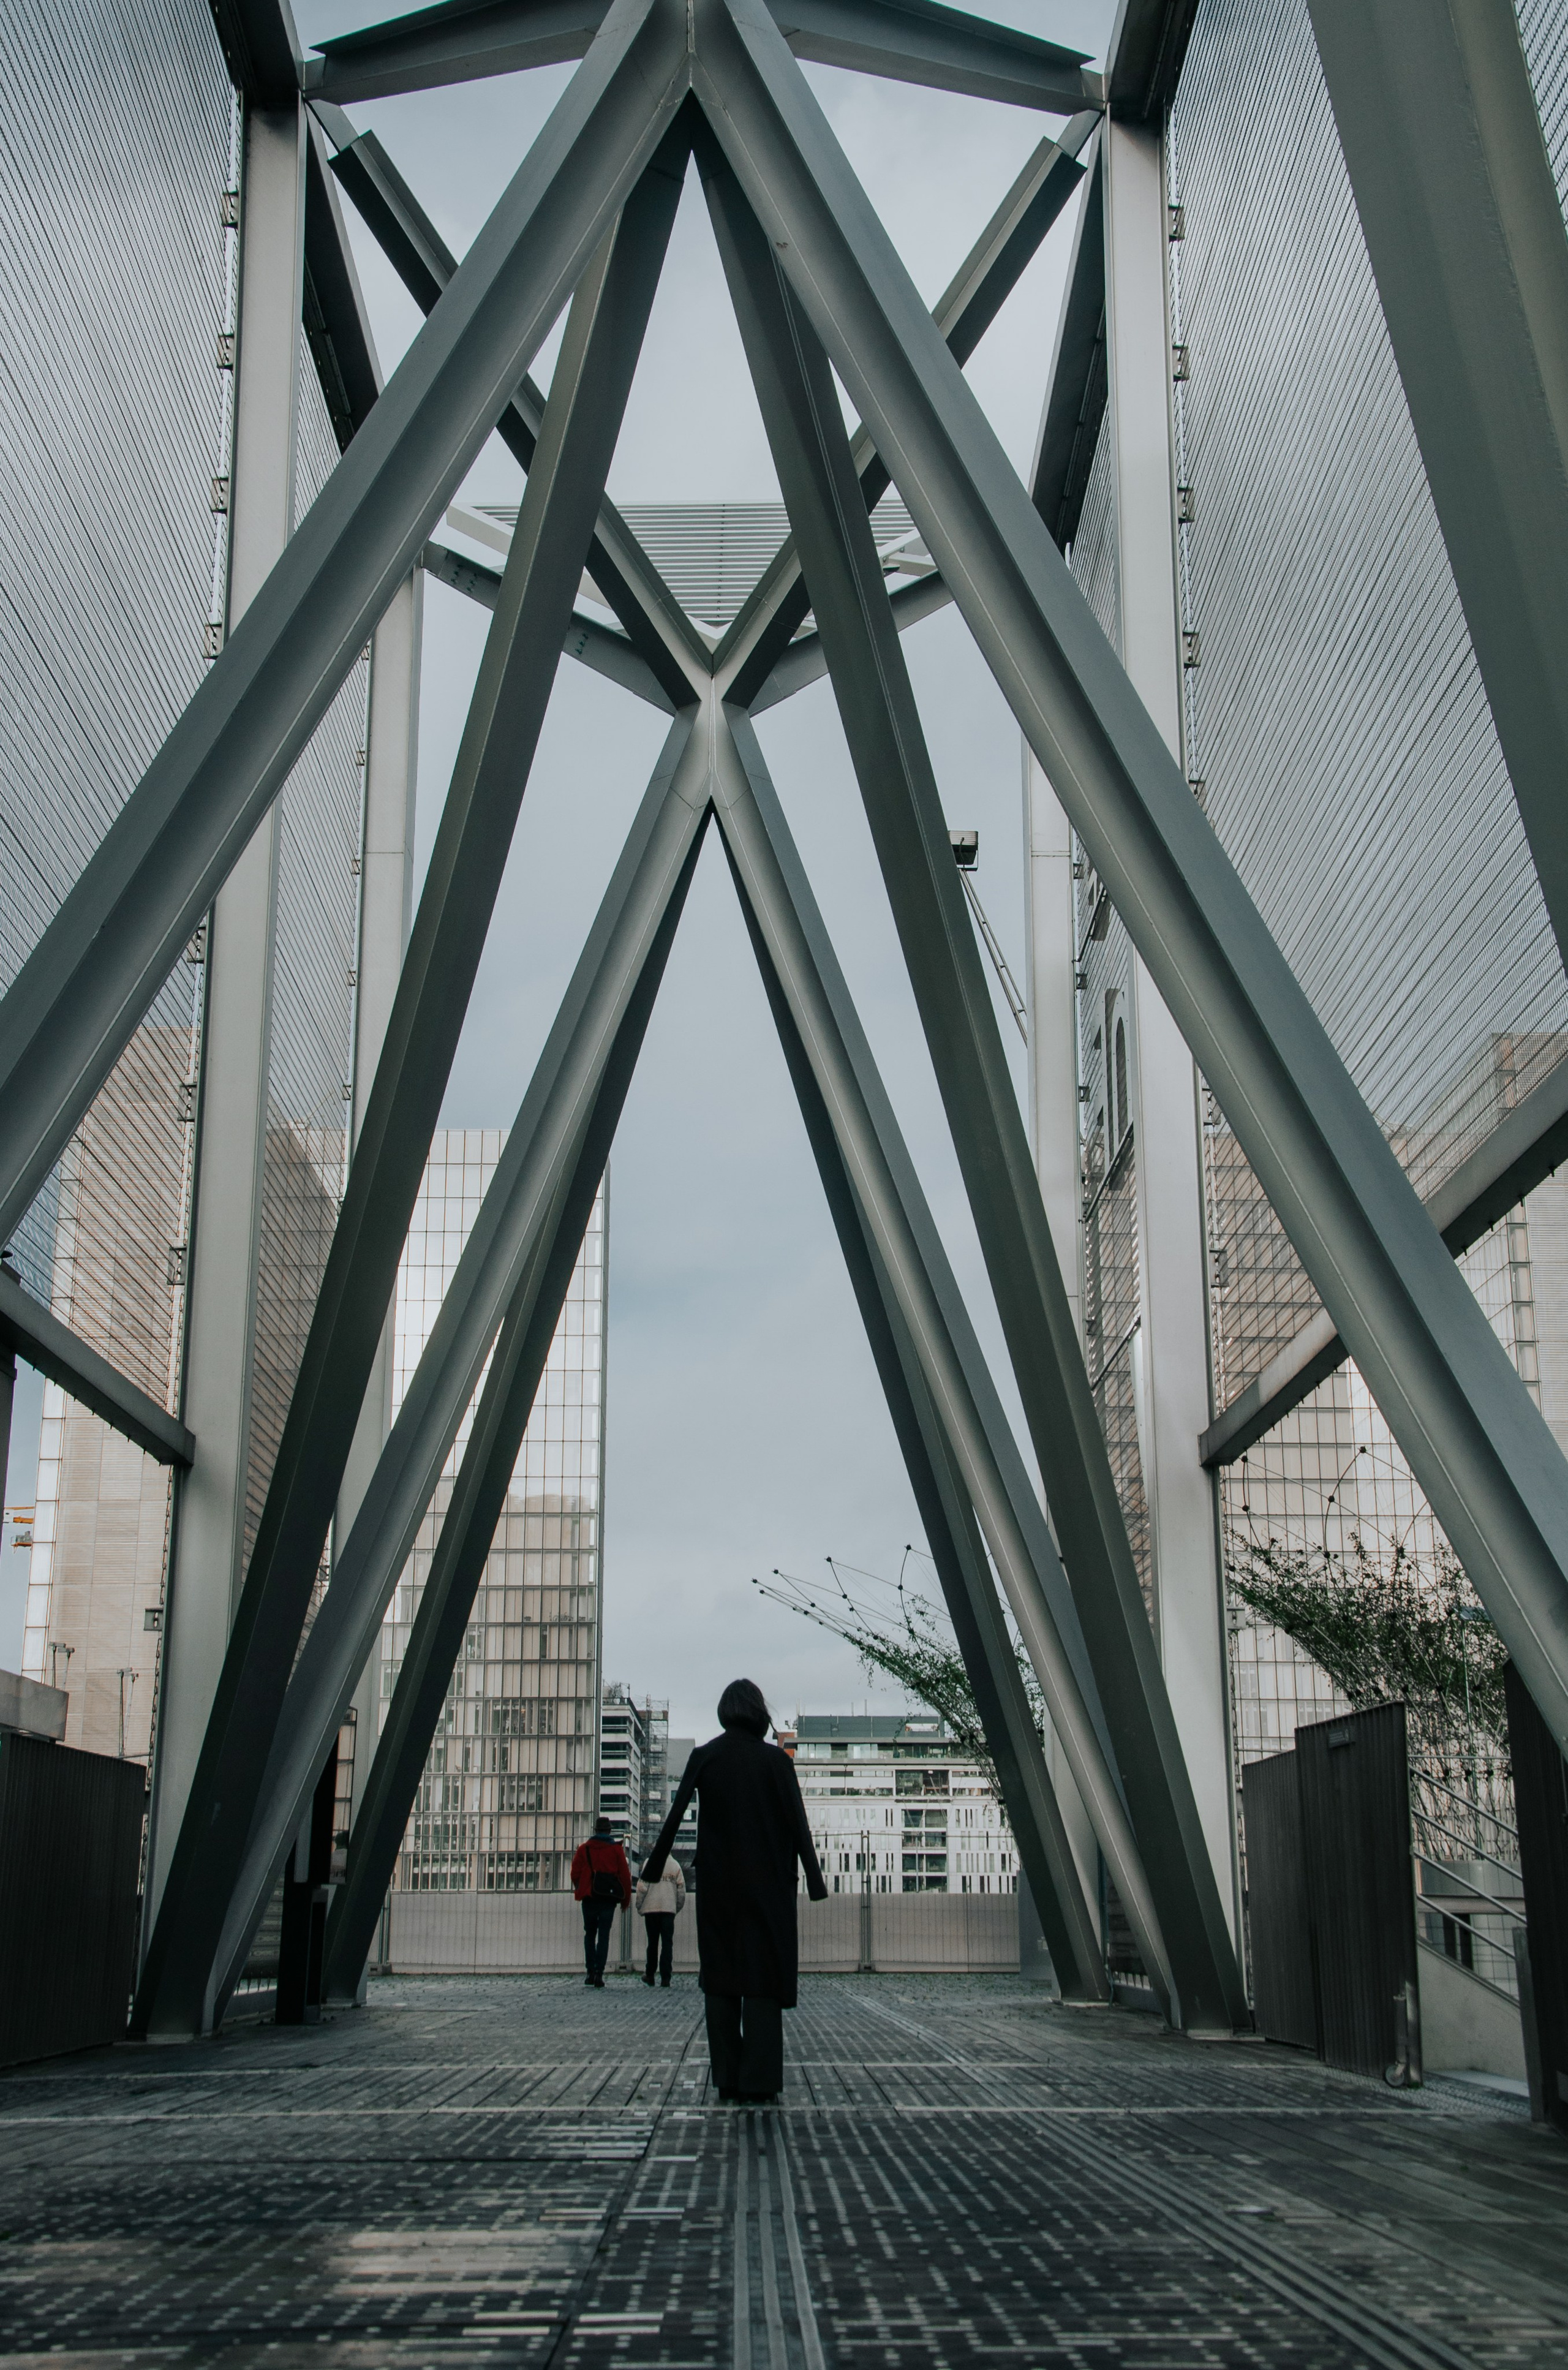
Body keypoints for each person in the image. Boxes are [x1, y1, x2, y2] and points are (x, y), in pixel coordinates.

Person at [641, 1678, 827, 2103]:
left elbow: (673, 1816)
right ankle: (759, 2079)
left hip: (720, 1884)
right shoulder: (777, 1762)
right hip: (770, 1885)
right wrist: (814, 1882)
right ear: (759, 1711)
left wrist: (653, 1868)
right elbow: (799, 1824)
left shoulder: (706, 1755)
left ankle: (727, 2076)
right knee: (762, 1978)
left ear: (725, 1711)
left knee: (721, 1977)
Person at [570, 1815, 630, 1987]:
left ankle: (589, 1972)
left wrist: (581, 1887)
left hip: (589, 1898)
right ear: (609, 1831)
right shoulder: (616, 1850)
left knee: (589, 1934)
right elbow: (625, 1877)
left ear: (596, 1831)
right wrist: (625, 1900)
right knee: (604, 1936)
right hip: (608, 1899)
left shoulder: (584, 1849)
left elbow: (575, 1873)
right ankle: (599, 1973)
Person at [635, 1848, 687, 1987]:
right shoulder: (675, 1865)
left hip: (651, 1909)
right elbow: (681, 1892)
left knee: (652, 1943)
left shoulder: (649, 1863)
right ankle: (666, 1978)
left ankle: (650, 1974)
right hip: (668, 1910)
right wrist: (675, 1908)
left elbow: (642, 1887)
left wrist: (639, 1906)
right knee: (667, 1944)